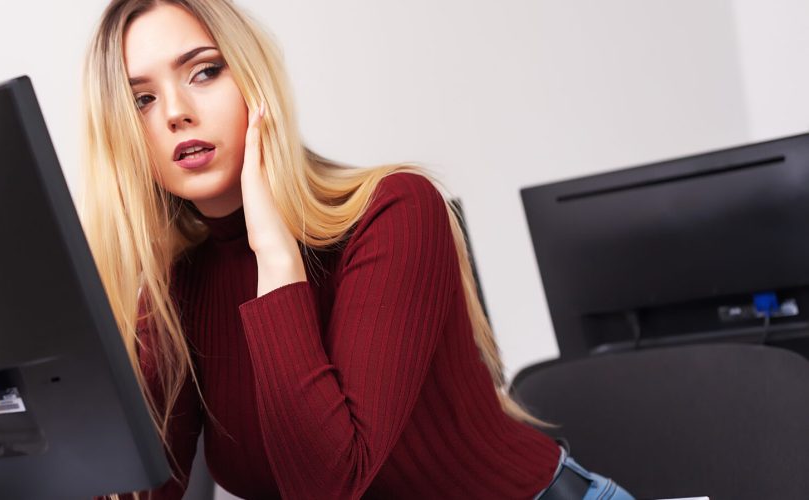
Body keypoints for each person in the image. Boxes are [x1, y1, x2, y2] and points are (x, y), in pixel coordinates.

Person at [78, 1, 634, 498]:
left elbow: (330, 484)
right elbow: (148, 487)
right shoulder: (180, 285)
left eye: (205, 71)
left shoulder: (395, 210)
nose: (176, 111)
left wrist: (275, 257)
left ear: (254, 81)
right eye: (142, 100)